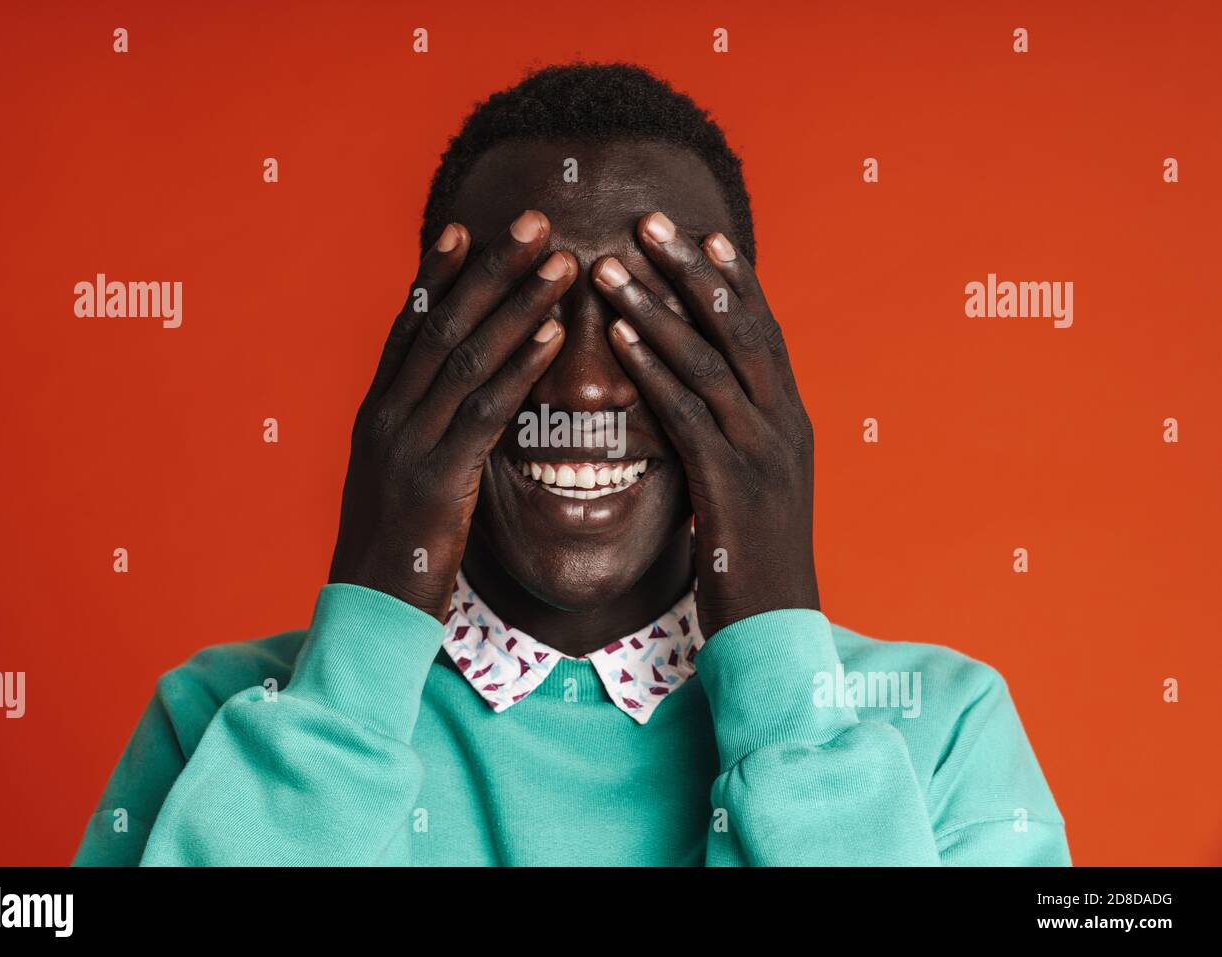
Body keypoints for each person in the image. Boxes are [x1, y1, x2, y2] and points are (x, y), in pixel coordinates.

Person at [73, 63, 1069, 866]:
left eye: (653, 316)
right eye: (524, 315)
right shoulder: (222, 721)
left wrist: (774, 647)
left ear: (750, 364)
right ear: (427, 351)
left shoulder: (936, 729)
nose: (585, 391)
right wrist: (371, 612)